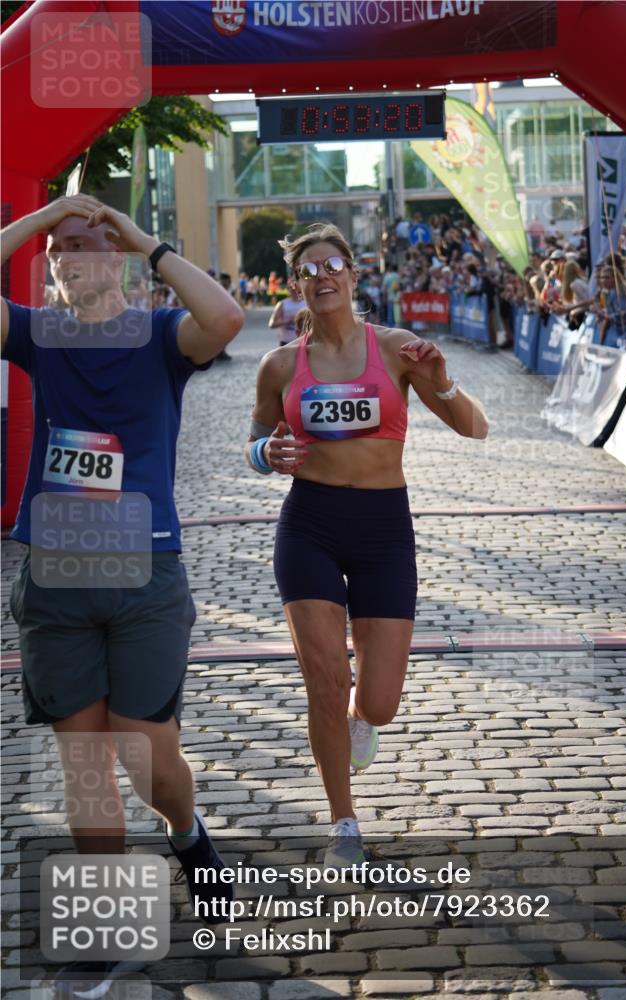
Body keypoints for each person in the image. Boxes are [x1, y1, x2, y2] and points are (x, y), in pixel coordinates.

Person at [0, 195, 244, 997]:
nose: (71, 259)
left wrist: (145, 242)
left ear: (119, 258)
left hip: (145, 573)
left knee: (148, 759)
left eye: (87, 246)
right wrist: (39, 224)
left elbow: (227, 319)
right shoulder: (42, 334)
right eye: (60, 250)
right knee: (86, 768)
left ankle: (188, 836)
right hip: (57, 581)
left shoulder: (158, 336)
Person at [243, 223, 489, 865]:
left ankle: (358, 720)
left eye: (333, 266)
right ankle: (343, 821)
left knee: (376, 702)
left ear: (354, 274)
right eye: (308, 270)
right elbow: (255, 446)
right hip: (310, 527)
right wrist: (266, 453)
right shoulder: (278, 365)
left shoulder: (399, 347)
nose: (321, 277)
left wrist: (438, 380)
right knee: (324, 680)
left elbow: (476, 429)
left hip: (384, 528)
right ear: (295, 286)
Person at [268, 282, 302, 346]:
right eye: (291, 288)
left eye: (296, 288)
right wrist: (288, 321)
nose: (294, 290)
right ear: (288, 289)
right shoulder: (282, 304)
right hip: (286, 342)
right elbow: (271, 324)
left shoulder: (306, 303)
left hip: (303, 342)